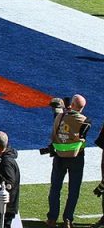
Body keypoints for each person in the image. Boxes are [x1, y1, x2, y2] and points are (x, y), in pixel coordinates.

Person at [48, 95, 89, 228]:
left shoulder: (60, 117)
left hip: (59, 156)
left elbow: (54, 133)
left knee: (55, 188)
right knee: (74, 190)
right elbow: (82, 134)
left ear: (72, 104)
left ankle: (52, 218)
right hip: (77, 158)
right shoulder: (85, 121)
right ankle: (68, 219)